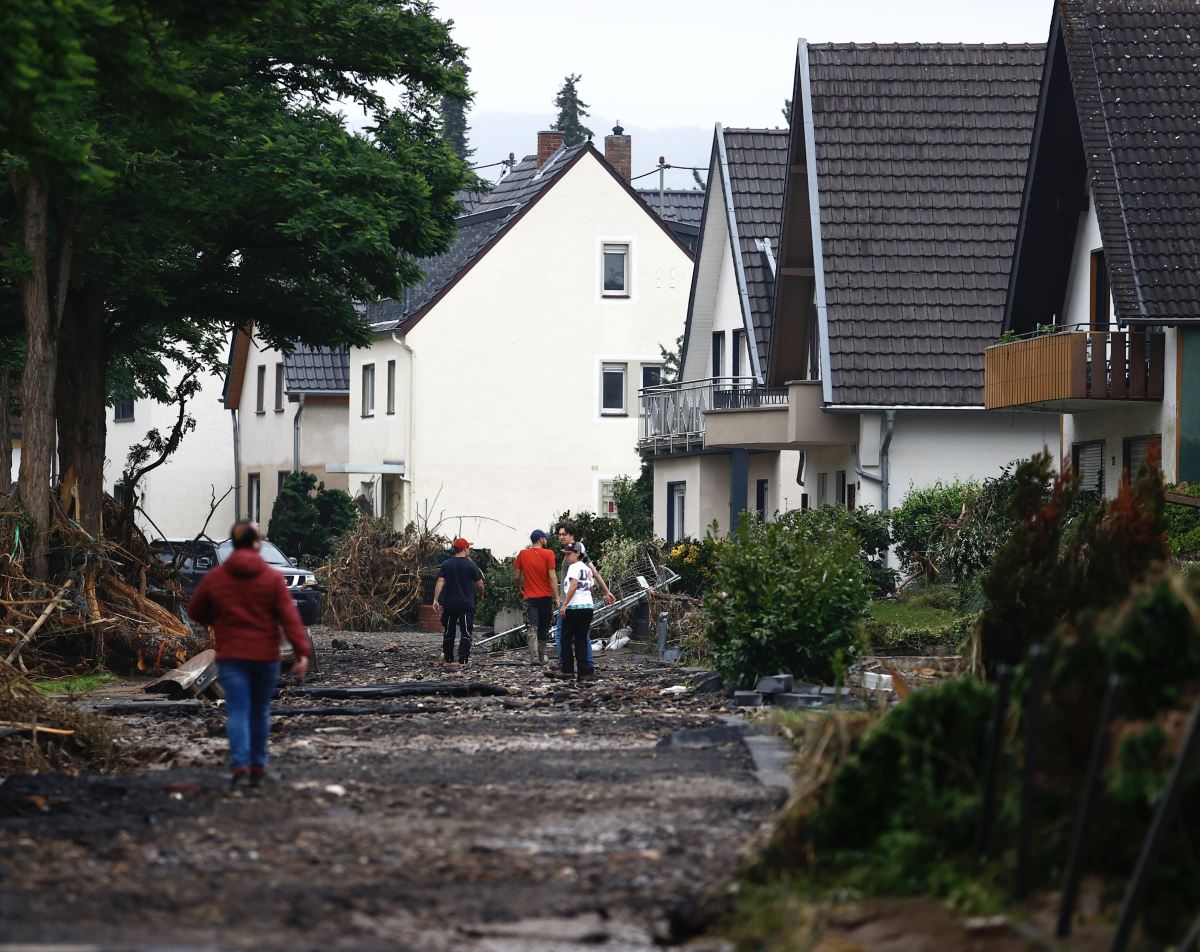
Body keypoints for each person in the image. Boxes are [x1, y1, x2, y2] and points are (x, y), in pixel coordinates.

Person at [187, 520, 312, 791]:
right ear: (256, 544)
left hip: (232, 656)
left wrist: (218, 617)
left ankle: (240, 765)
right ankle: (258, 766)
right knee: (260, 710)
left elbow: (196, 611)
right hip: (265, 657)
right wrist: (301, 652)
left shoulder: (217, 578)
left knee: (239, 711)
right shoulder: (271, 578)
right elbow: (289, 618)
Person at [552, 522, 616, 678]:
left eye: (564, 534)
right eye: (559, 534)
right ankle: (585, 669)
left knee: (564, 635)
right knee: (580, 636)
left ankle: (567, 668)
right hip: (582, 603)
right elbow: (591, 576)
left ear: (572, 536)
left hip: (572, 602)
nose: (561, 537)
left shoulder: (576, 554)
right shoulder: (575, 555)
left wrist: (564, 603)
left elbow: (589, 575)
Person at [432, 538, 484, 667]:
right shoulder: (471, 565)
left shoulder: (447, 564)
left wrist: (435, 599)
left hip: (449, 603)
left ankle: (448, 659)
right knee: (466, 632)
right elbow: (480, 583)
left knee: (449, 631)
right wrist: (481, 594)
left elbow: (440, 581)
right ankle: (463, 661)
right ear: (465, 549)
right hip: (466, 604)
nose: (469, 550)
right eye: (469, 548)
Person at [514, 529, 558, 664]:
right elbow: (552, 576)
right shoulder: (549, 553)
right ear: (540, 539)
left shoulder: (523, 554)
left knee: (532, 626)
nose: (547, 540)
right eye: (545, 538)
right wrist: (557, 596)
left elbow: (516, 576)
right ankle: (541, 657)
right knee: (544, 626)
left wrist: (519, 589)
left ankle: (533, 657)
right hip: (546, 597)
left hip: (530, 597)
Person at [558, 543, 595, 682]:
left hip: (574, 607)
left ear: (578, 553)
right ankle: (584, 672)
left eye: (569, 553)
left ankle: (567, 670)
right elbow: (591, 589)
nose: (567, 556)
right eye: (566, 553)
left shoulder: (574, 567)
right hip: (587, 607)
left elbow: (573, 586)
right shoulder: (587, 569)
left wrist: (564, 605)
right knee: (581, 639)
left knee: (565, 638)